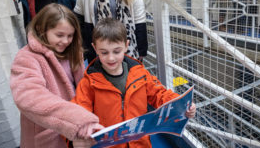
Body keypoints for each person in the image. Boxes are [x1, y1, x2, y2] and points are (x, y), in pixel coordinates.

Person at [70, 18, 196, 148]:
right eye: (104, 52)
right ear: (94, 48)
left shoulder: (140, 73)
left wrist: (182, 105)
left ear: (126, 45)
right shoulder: (88, 83)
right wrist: (77, 136)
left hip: (141, 144)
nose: (111, 57)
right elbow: (79, 112)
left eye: (116, 51)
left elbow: (160, 93)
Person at [10, 3, 103, 148]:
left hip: (74, 136)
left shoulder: (73, 52)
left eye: (70, 35)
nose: (65, 41)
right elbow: (29, 96)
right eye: (59, 35)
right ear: (42, 30)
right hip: (48, 138)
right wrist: (78, 119)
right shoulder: (27, 57)